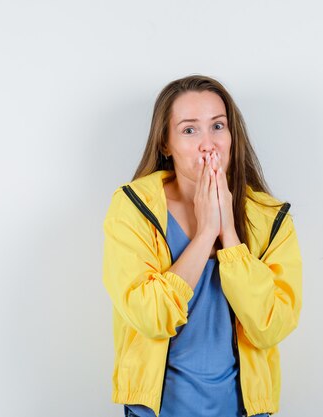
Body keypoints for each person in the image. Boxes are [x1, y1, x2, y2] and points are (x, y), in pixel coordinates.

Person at [102, 75, 303, 417]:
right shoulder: (133, 208)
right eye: (189, 130)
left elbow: (271, 324)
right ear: (165, 143)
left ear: (232, 136)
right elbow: (148, 315)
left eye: (218, 126)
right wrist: (206, 232)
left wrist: (230, 236)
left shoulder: (270, 219)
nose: (208, 144)